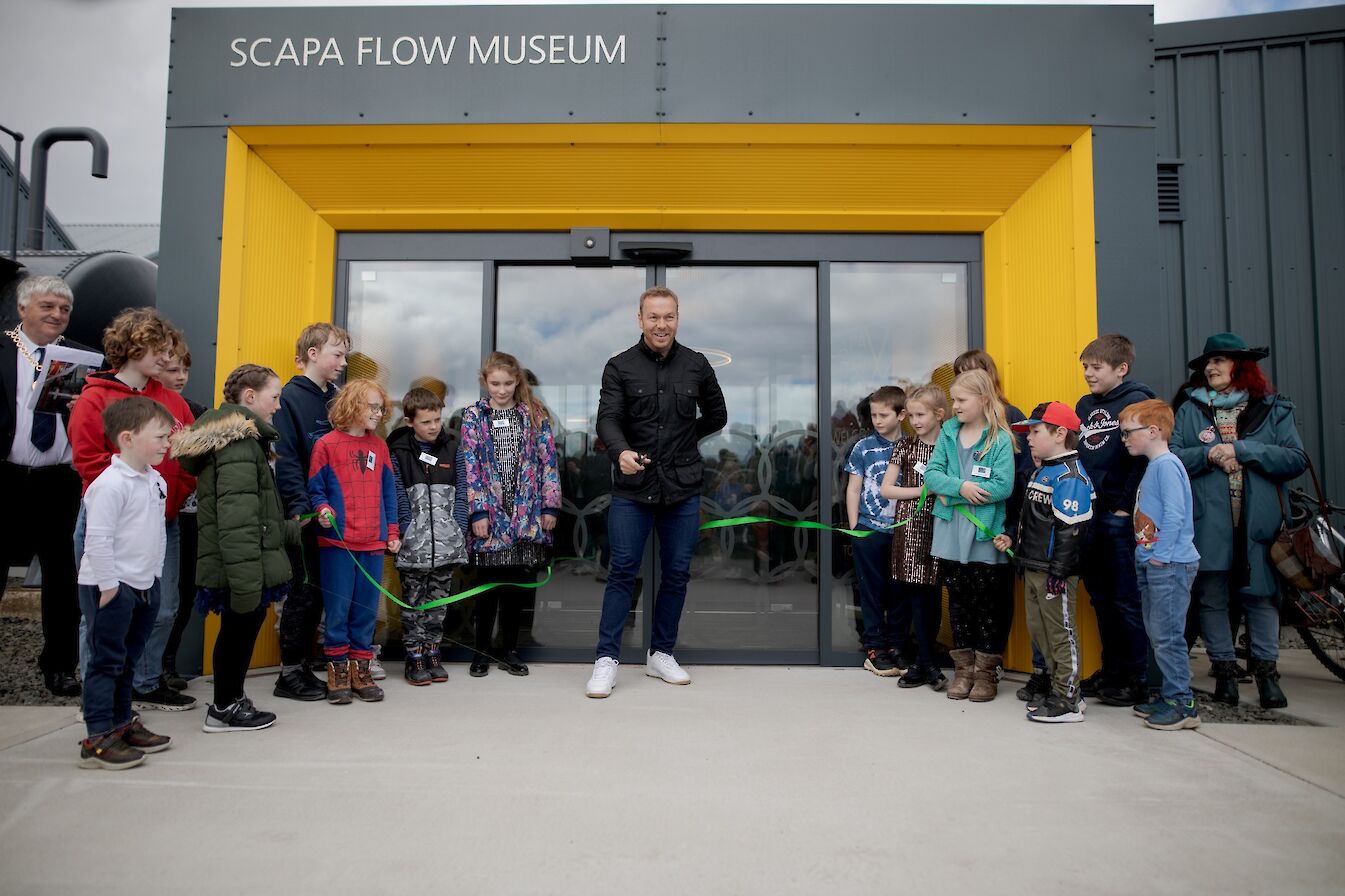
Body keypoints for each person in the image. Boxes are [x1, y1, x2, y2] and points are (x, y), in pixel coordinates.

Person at [586, 285, 727, 698]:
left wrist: (685, 439)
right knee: (622, 572)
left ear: (677, 318)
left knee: (677, 573)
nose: (661, 324)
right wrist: (621, 451)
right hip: (633, 487)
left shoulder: (697, 366)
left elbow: (717, 414)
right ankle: (606, 660)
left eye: (668, 317)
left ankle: (660, 653)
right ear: (640, 319)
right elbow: (607, 419)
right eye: (653, 317)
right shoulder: (619, 366)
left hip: (683, 488)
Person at [67, 307, 197, 712]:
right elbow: (88, 461)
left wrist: (173, 495)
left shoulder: (172, 399)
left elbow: (189, 454)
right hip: (112, 521)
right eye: (156, 348)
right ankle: (99, 701)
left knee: (161, 607)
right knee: (104, 611)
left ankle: (143, 682)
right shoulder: (96, 398)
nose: (165, 357)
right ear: (130, 347)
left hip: (163, 521)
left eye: (167, 349)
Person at [1170, 333, 1307, 709]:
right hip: (1209, 522)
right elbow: (1175, 458)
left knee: (1260, 598)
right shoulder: (1190, 409)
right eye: (1208, 363)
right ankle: (1225, 675)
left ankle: (1267, 676)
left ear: (1241, 367)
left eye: (1221, 360)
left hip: (1259, 525)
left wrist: (1241, 450)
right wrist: (1211, 455)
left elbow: (1295, 459)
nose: (1211, 368)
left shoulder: (1272, 408)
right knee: (1212, 597)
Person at [172, 364, 299, 732]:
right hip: (242, 564)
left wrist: (289, 530)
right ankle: (225, 707)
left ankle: (230, 698)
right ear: (249, 397)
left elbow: (253, 510)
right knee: (239, 629)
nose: (277, 405)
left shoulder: (240, 438)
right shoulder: (238, 442)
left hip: (243, 558)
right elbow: (238, 516)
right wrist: (246, 581)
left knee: (239, 629)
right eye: (274, 397)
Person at [0, 276, 88, 696]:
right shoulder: (2, 348)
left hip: (59, 481)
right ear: (22, 309)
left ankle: (59, 666)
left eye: (64, 309)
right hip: (6, 477)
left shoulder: (79, 359)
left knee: (62, 578)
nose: (56, 315)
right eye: (47, 306)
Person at [76, 396, 174, 769]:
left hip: (145, 583)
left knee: (129, 658)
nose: (167, 443)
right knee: (106, 660)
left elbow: (157, 533)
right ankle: (97, 736)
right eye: (160, 437)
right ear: (128, 438)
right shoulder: (110, 484)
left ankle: (120, 723)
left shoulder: (156, 480)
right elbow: (96, 540)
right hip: (111, 586)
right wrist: (109, 587)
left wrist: (156, 575)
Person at [456, 352, 561, 678]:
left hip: (527, 512)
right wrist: (477, 511)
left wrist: (549, 504)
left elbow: (549, 461)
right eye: (495, 383)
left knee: (517, 586)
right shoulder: (473, 416)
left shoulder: (534, 414)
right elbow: (470, 466)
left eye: (508, 383)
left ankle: (510, 649)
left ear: (518, 381)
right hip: (490, 513)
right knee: (488, 587)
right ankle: (482, 649)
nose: (502, 390)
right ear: (485, 382)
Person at [950, 349, 1043, 702]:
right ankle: (966, 669)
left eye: (973, 373)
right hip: (960, 526)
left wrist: (1013, 526)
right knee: (963, 597)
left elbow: (1016, 482)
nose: (966, 380)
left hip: (999, 526)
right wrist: (953, 489)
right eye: (960, 374)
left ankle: (990, 667)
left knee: (994, 599)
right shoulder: (953, 428)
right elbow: (941, 474)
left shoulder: (1011, 419)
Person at [996, 402, 1095, 723]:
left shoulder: (1071, 477)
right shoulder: (1044, 470)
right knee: (1039, 631)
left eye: (1036, 431)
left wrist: (1059, 570)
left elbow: (1072, 529)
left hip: (1054, 572)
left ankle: (1068, 699)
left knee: (1060, 633)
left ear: (1060, 433)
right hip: (1034, 566)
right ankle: (1057, 689)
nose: (1029, 439)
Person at [1073, 334, 1158, 707]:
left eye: (1096, 367)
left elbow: (1142, 461)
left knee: (1126, 598)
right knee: (1101, 599)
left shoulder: (1139, 401)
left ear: (1121, 368)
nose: (1089, 374)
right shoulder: (1085, 404)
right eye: (1085, 367)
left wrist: (1124, 508)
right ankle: (1111, 671)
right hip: (1088, 514)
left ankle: (1137, 676)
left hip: (1118, 518)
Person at [923, 369, 1017, 702]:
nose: (955, 406)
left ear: (983, 400)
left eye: (962, 400)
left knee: (986, 606)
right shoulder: (948, 432)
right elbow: (932, 476)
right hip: (949, 532)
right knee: (959, 605)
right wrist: (961, 486)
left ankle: (985, 675)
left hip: (983, 535)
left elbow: (1003, 486)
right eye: (954, 400)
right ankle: (962, 673)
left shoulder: (999, 439)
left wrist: (953, 492)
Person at [308, 377, 401, 705]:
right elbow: (315, 488)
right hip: (338, 544)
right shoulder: (326, 445)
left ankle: (360, 670)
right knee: (338, 609)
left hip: (373, 543)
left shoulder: (380, 446)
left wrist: (392, 532)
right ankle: (338, 672)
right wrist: (322, 508)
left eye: (381, 407)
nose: (378, 413)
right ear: (352, 406)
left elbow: (389, 492)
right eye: (372, 407)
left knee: (365, 610)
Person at [271, 322, 349, 701]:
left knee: (319, 592)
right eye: (337, 354)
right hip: (305, 515)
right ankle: (289, 674)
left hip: (334, 514)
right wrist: (302, 509)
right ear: (313, 354)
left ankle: (304, 666)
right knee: (303, 593)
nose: (343, 361)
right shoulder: (289, 398)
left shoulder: (336, 397)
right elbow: (286, 460)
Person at [1121, 399, 1203, 730]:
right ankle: (1169, 694)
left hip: (1168, 564)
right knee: (1158, 632)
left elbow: (1176, 513)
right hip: (1154, 562)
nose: (1124, 439)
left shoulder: (1167, 465)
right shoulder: (1154, 466)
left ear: (1153, 431)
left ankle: (1183, 704)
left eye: (1128, 433)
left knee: (1168, 635)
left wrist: (1161, 555)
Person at [387, 386, 467, 685]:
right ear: (410, 422)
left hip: (447, 542)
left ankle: (433, 651)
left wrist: (457, 525)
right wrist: (406, 527)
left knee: (438, 603)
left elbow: (463, 490)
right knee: (413, 603)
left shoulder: (452, 448)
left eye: (437, 419)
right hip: (414, 545)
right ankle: (414, 655)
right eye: (426, 421)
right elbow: (395, 493)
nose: (434, 426)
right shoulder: (398, 452)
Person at [880, 383, 949, 690]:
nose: (915, 421)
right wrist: (925, 490)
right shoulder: (905, 447)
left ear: (939, 415)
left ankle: (925, 661)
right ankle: (926, 663)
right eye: (912, 415)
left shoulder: (949, 447)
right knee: (915, 598)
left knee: (932, 596)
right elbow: (887, 489)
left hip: (941, 527)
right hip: (910, 529)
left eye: (921, 415)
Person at [844, 385, 909, 676]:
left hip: (903, 531)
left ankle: (897, 645)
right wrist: (854, 526)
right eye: (873, 415)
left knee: (899, 591)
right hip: (869, 530)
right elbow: (854, 488)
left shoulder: (912, 446)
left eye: (884, 415)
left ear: (902, 414)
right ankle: (874, 648)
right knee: (871, 592)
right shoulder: (863, 447)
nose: (877, 421)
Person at [156, 334, 208, 691]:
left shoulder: (196, 411)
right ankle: (151, 667)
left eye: (185, 369)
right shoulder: (147, 410)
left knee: (184, 592)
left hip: (188, 513)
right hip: (156, 513)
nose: (181, 376)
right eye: (173, 369)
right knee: (157, 596)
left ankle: (168, 663)